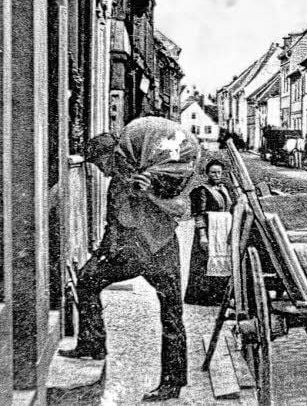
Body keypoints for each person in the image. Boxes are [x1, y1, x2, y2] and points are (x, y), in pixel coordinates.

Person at [60, 117, 199, 401]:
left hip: (147, 251)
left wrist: (149, 193)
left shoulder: (149, 176)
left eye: (100, 163)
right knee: (170, 314)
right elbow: (118, 222)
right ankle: (170, 382)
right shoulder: (128, 179)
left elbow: (182, 209)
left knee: (88, 282)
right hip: (152, 248)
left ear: (112, 155)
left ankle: (96, 346)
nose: (101, 170)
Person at [184, 159, 234, 306]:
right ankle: (203, 297)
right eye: (213, 172)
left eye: (219, 172)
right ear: (207, 173)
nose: (216, 175)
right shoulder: (202, 191)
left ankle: (220, 296)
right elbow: (199, 214)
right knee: (204, 263)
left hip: (222, 232)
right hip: (208, 231)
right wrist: (203, 236)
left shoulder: (224, 189)